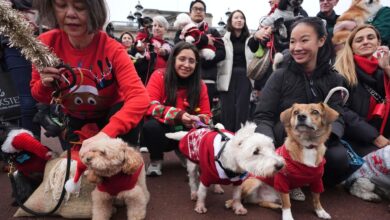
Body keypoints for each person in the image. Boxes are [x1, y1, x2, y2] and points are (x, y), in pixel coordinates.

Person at [31, 0, 149, 151]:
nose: (70, 14)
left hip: (111, 117)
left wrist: (107, 134)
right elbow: (40, 96)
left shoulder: (113, 49)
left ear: (94, 10)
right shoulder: (44, 44)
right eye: (61, 5)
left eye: (80, 7)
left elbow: (140, 97)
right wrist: (44, 84)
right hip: (73, 118)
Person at [253, 17, 351, 188]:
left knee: (339, 159)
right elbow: (263, 116)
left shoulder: (334, 78)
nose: (296, 47)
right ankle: (289, 180)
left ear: (321, 41)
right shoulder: (279, 76)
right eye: (292, 41)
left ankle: (308, 183)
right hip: (283, 140)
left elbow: (338, 114)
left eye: (304, 40)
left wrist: (327, 137)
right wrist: (268, 148)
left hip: (319, 140)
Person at [141, 42, 211, 176]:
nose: (186, 65)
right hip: (163, 132)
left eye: (191, 61)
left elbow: (206, 115)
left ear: (196, 64)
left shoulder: (200, 85)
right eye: (182, 59)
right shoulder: (159, 75)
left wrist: (197, 119)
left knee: (205, 130)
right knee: (150, 126)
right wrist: (178, 115)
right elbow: (149, 106)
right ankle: (156, 159)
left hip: (186, 132)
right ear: (173, 59)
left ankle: (186, 152)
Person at [334, 24, 390, 156]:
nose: (365, 42)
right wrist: (374, 136)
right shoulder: (342, 73)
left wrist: (387, 68)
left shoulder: (384, 71)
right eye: (359, 40)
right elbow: (341, 110)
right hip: (355, 139)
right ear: (352, 47)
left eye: (370, 38)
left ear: (378, 43)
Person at [174, 0, 226, 107]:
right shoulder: (182, 30)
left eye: (201, 9)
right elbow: (177, 49)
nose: (198, 11)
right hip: (185, 79)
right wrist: (204, 41)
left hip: (207, 78)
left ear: (204, 13)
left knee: (205, 113)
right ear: (190, 13)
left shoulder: (212, 31)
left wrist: (207, 60)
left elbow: (222, 52)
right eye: (195, 9)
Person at [1, 0, 40, 137]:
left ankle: (73, 152)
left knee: (62, 101)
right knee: (28, 102)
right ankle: (33, 151)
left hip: (54, 34)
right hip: (15, 40)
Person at [217, 10, 253, 132]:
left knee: (242, 109)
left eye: (241, 18)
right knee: (227, 110)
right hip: (227, 76)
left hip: (245, 75)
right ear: (230, 21)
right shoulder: (223, 40)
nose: (239, 20)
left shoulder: (250, 39)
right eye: (236, 18)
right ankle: (227, 137)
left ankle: (241, 137)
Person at [131, 15, 172, 85]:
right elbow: (136, 48)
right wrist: (140, 46)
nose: (157, 28)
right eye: (155, 25)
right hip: (147, 78)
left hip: (164, 78)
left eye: (160, 26)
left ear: (165, 29)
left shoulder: (168, 46)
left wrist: (165, 53)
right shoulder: (147, 40)